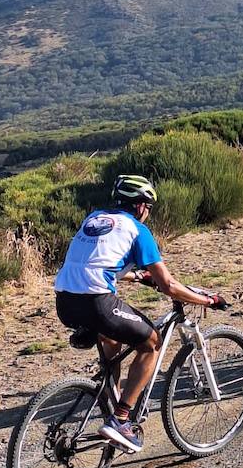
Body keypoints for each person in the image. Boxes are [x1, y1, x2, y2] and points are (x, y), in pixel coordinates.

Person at [54, 174, 226, 453]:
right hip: (97, 302)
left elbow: (95, 263)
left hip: (64, 302)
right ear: (140, 206)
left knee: (112, 341)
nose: (147, 213)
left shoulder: (94, 219)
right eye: (148, 206)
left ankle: (112, 400)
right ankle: (120, 420)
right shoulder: (137, 230)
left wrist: (134, 275)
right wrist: (206, 300)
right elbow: (169, 285)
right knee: (151, 343)